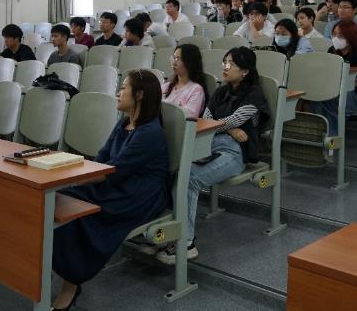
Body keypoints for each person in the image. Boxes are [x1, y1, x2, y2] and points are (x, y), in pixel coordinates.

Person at [51, 70, 169, 310]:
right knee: (59, 201)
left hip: (138, 195)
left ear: (139, 95)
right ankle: (61, 274)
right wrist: (75, 177)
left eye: (124, 88)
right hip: (115, 185)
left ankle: (70, 285)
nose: (118, 92)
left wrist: (71, 177)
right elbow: (102, 158)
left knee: (75, 212)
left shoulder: (150, 133)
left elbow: (112, 170)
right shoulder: (124, 123)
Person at [156, 47, 268, 264]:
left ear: (245, 71)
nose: (225, 67)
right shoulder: (219, 92)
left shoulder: (254, 95)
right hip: (208, 143)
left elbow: (228, 121)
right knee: (169, 167)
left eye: (231, 64)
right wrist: (230, 129)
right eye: (224, 62)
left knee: (189, 178)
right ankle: (165, 232)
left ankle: (186, 243)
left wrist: (225, 127)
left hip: (234, 152)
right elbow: (207, 121)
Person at [319, 21, 357, 135]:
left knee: (329, 98)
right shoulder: (332, 51)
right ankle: (320, 132)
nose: (336, 38)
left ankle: (333, 135)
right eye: (334, 34)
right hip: (338, 89)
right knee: (315, 97)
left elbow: (353, 84)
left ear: (351, 37)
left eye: (340, 35)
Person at [162, 44, 208, 119]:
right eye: (174, 58)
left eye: (178, 59)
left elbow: (190, 116)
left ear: (190, 62)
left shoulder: (196, 90)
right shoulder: (166, 87)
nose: (174, 63)